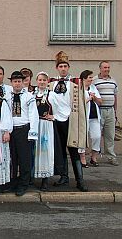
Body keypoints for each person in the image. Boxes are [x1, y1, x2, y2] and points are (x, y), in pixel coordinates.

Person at [49, 51, 88, 192]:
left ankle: (80, 180)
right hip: (56, 121)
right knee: (60, 151)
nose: (63, 68)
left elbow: (82, 104)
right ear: (57, 68)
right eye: (61, 66)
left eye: (65, 66)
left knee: (73, 150)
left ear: (68, 67)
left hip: (70, 121)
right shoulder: (50, 84)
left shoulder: (75, 84)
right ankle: (64, 177)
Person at [5, 71, 39, 196]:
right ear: (11, 83)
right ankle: (13, 182)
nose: (17, 84)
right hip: (11, 130)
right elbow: (5, 114)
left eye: (19, 81)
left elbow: (33, 115)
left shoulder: (29, 96)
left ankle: (23, 184)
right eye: (15, 81)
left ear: (23, 82)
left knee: (24, 159)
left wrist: (32, 132)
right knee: (12, 158)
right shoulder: (7, 96)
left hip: (24, 129)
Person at [33, 72, 57, 191]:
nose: (42, 82)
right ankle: (33, 177)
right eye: (40, 80)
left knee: (45, 151)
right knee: (34, 151)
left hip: (46, 126)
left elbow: (62, 108)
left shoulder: (52, 95)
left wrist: (54, 116)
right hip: (34, 125)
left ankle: (45, 179)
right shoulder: (32, 94)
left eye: (44, 80)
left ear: (47, 82)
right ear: (36, 81)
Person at [93, 61, 119, 166]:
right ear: (100, 68)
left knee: (110, 135)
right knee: (97, 135)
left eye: (108, 67)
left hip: (110, 111)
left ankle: (111, 157)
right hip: (99, 110)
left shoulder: (113, 81)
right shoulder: (94, 80)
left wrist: (115, 111)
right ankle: (95, 157)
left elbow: (115, 97)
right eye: (104, 67)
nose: (107, 69)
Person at [80, 70, 102, 167]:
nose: (91, 79)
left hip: (94, 117)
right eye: (89, 77)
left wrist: (94, 98)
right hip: (84, 117)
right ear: (84, 78)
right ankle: (82, 158)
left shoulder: (93, 88)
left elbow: (100, 102)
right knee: (83, 138)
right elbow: (78, 104)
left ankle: (93, 157)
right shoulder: (79, 89)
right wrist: (88, 99)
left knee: (96, 136)